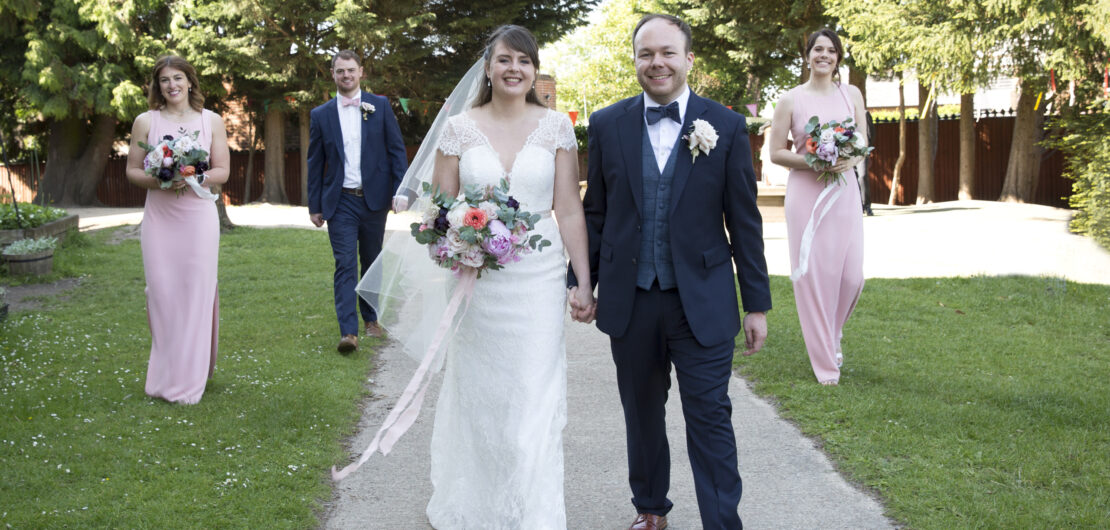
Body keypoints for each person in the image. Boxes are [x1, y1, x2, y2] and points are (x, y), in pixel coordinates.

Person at [358, 25, 592, 527]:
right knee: (480, 393)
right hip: (477, 283)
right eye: (504, 60)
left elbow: (569, 209)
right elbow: (438, 210)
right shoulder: (460, 128)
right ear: (487, 68)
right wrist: (458, 239)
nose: (514, 69)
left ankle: (532, 510)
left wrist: (583, 281)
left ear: (535, 70)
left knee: (534, 394)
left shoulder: (556, 128)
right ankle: (478, 505)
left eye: (524, 61)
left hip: (538, 278)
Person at [570, 14, 771, 530]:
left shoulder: (724, 126)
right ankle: (650, 509)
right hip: (630, 298)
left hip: (701, 300)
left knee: (710, 417)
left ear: (688, 60)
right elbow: (596, 214)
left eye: (667, 53)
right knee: (642, 414)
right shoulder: (608, 124)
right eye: (645, 54)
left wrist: (757, 305)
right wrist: (581, 282)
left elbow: (744, 223)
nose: (656, 62)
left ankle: (722, 522)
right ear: (635, 60)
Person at [125, 55, 230, 404]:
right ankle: (162, 376)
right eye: (165, 80)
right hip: (160, 218)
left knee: (196, 293)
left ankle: (189, 381)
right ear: (158, 86)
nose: (172, 85)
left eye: (178, 78)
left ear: (190, 82)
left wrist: (191, 176)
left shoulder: (210, 120)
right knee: (163, 294)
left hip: (198, 217)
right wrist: (161, 179)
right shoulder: (145, 121)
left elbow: (222, 171)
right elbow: (132, 171)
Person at [769, 29, 867, 385]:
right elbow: (776, 152)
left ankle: (832, 334)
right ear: (807, 55)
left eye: (830, 50)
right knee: (813, 277)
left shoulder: (851, 93)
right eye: (817, 49)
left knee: (851, 276)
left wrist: (847, 156)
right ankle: (826, 363)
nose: (823, 55)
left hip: (843, 192)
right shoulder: (790, 100)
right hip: (806, 195)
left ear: (838, 58)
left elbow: (862, 142)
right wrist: (814, 160)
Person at [307, 50, 408, 354]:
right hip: (340, 202)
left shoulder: (379, 106)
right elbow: (315, 163)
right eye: (340, 71)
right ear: (333, 74)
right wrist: (314, 205)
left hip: (374, 199)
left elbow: (396, 150)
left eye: (351, 70)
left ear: (361, 72)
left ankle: (371, 318)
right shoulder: (321, 115)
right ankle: (348, 331)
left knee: (372, 260)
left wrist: (400, 191)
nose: (346, 76)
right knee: (345, 264)